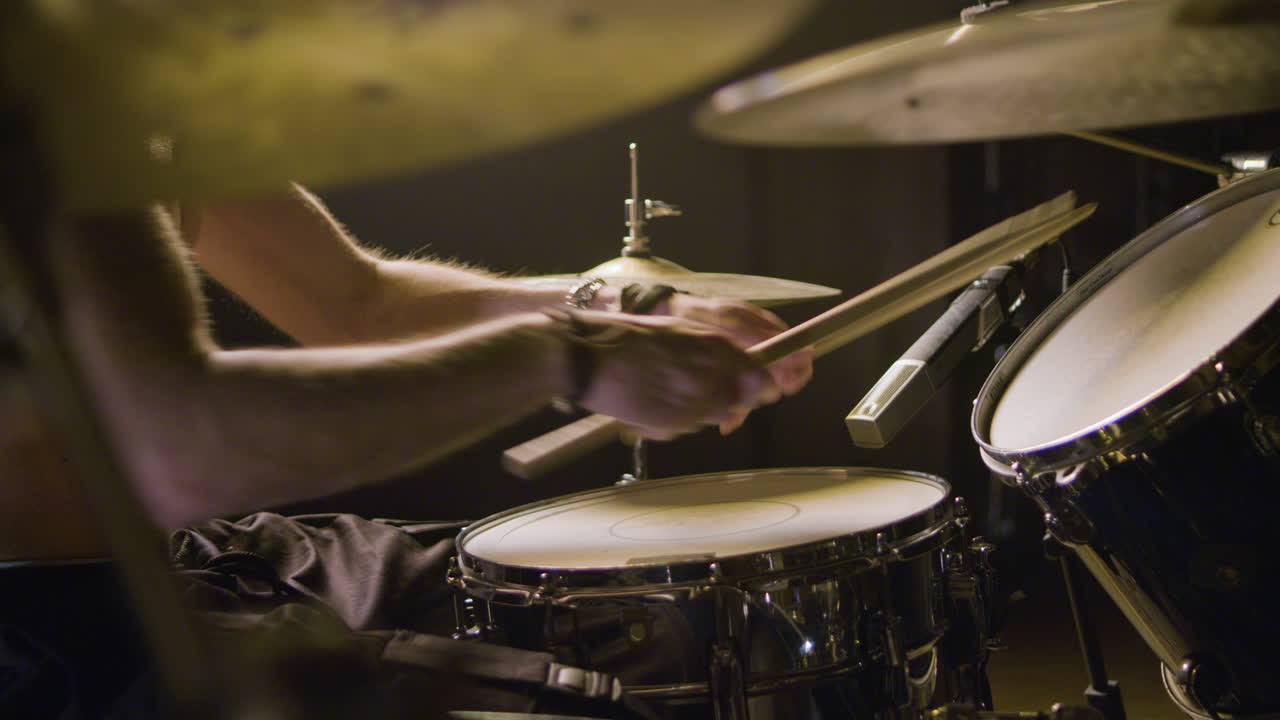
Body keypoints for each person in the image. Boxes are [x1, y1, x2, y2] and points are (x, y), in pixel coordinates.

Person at [0, 182, 813, 717]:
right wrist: (571, 356)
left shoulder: (133, 88)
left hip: (182, 554)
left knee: (633, 614)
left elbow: (357, 302)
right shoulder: (36, 86)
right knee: (579, 708)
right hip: (45, 639)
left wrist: (629, 308)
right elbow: (172, 449)